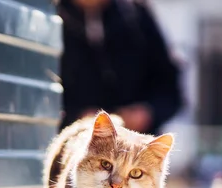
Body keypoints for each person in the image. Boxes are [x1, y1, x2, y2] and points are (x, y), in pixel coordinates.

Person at [58, 0, 183, 134]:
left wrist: (148, 113)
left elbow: (169, 86)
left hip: (136, 144)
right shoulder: (49, 17)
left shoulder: (136, 16)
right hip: (71, 144)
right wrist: (76, 117)